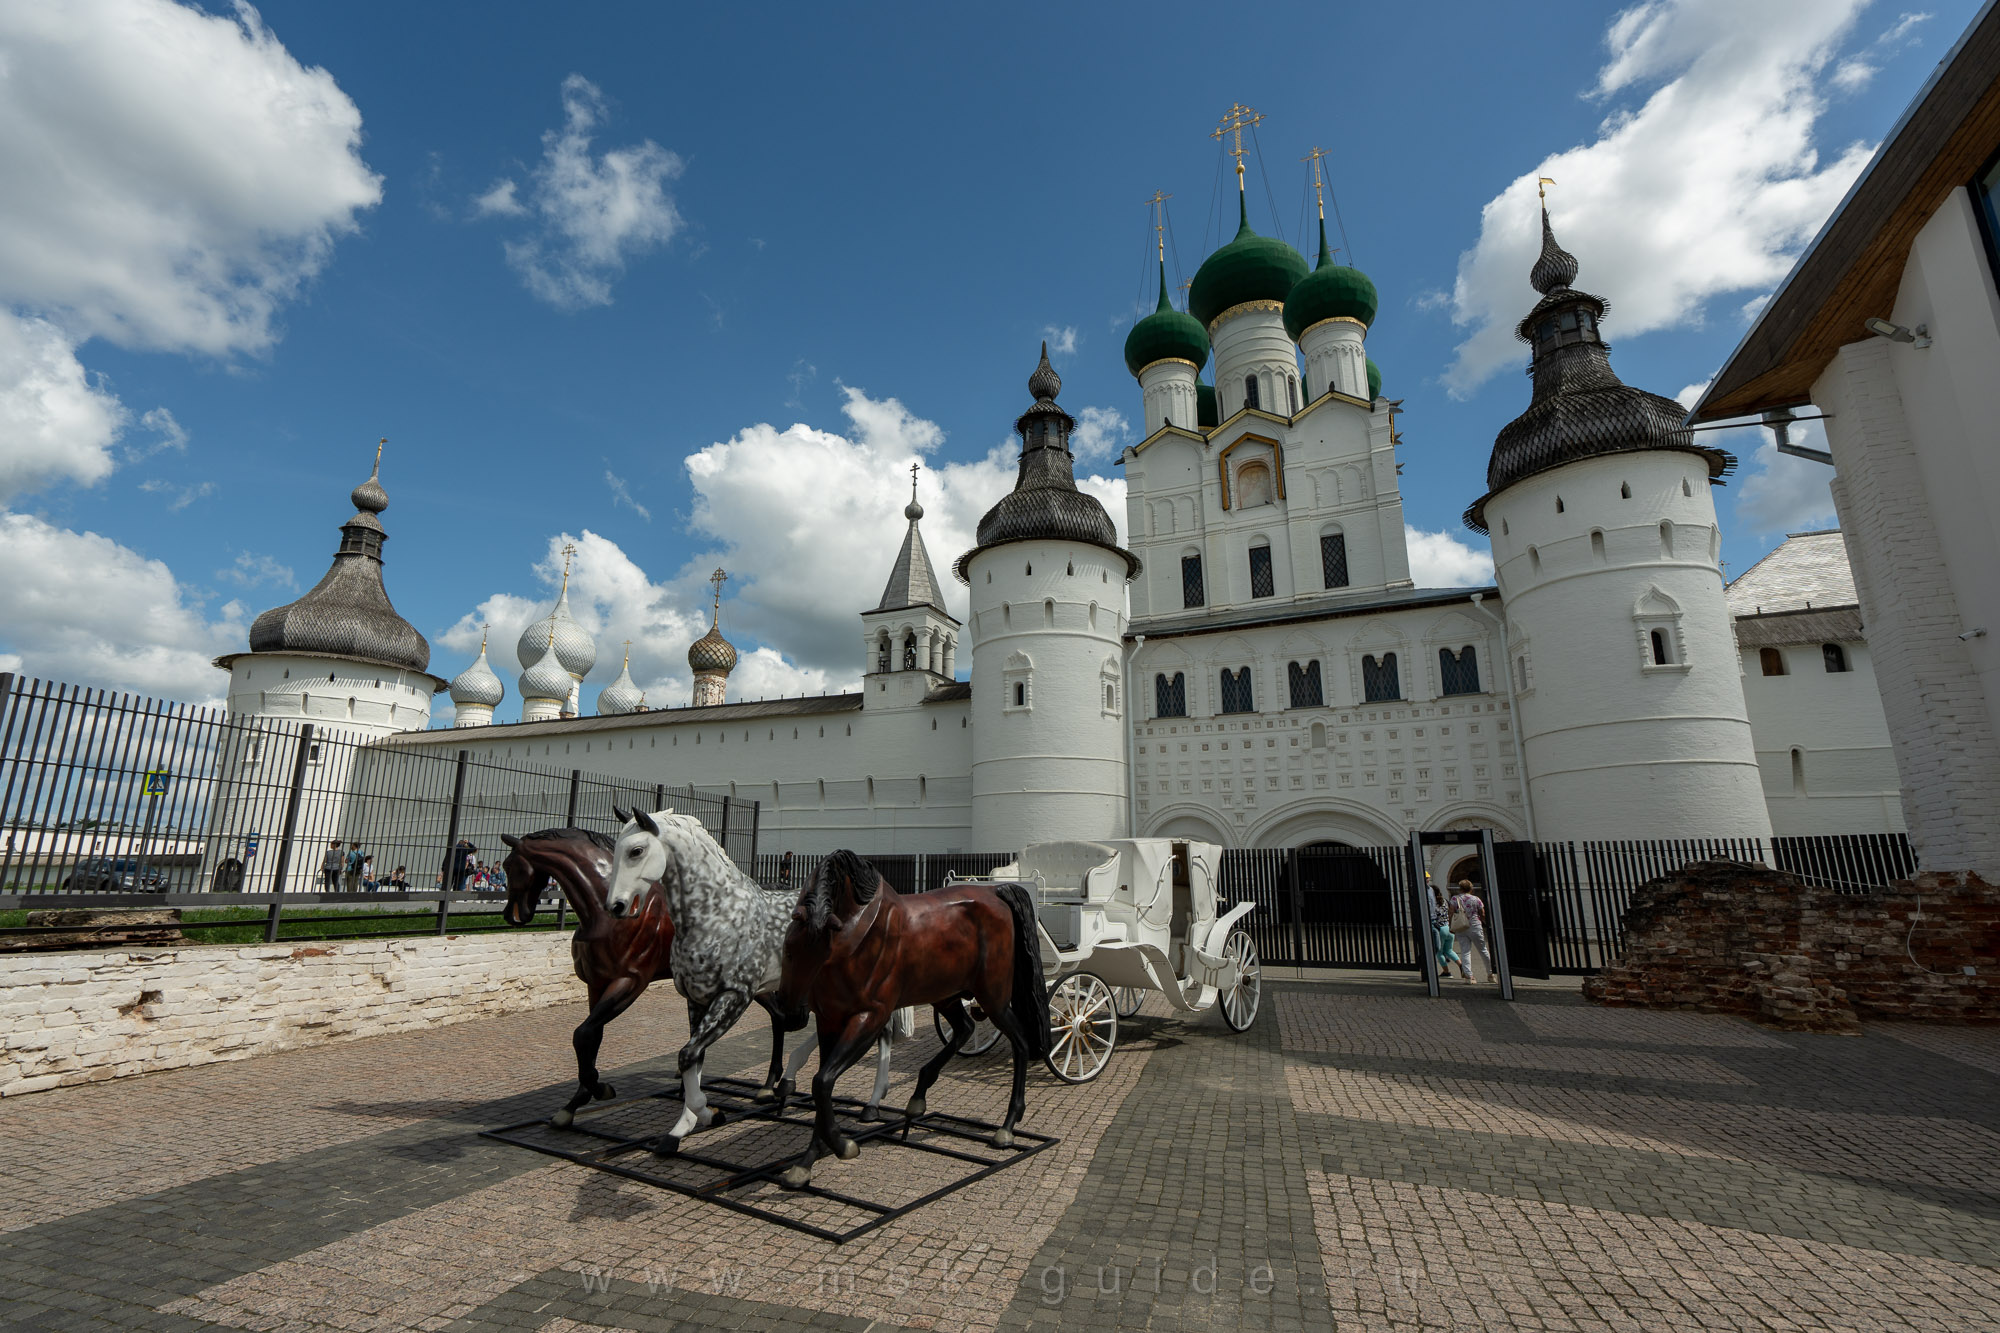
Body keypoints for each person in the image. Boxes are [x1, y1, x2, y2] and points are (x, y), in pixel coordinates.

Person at [1450, 880, 1496, 985]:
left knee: (1465, 951)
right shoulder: (1476, 899)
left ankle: (1469, 976)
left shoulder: (1454, 899)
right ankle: (1490, 974)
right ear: (1471, 889)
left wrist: (1450, 926)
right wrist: (1487, 924)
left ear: (1460, 888)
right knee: (1483, 950)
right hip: (1475, 926)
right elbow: (1482, 913)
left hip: (1461, 927)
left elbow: (1451, 912)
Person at [1427, 880, 1462, 982]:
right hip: (1449, 928)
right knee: (1449, 950)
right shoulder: (1445, 901)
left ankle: (1446, 972)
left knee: (1439, 952)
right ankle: (1461, 965)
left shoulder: (1433, 905)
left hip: (1440, 929)